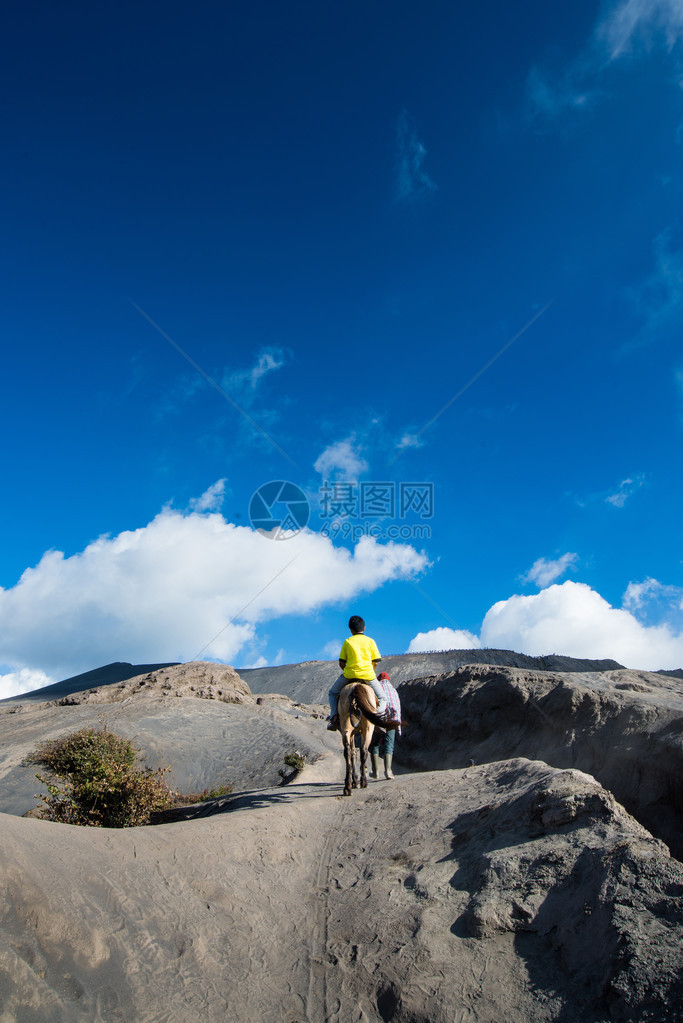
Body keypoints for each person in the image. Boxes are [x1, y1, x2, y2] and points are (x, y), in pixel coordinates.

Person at [327, 615, 397, 731]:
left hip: (349, 675)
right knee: (383, 698)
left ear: (350, 629)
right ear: (364, 628)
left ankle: (334, 718)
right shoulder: (370, 641)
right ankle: (377, 719)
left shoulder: (347, 642)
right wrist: (369, 670)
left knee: (332, 693)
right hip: (368, 676)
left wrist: (347, 670)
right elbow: (376, 661)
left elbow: (341, 663)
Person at [369, 672, 401, 779]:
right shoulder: (393, 691)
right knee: (389, 745)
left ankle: (375, 772)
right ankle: (388, 772)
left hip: (380, 720)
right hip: (392, 720)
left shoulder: (376, 689)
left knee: (375, 744)